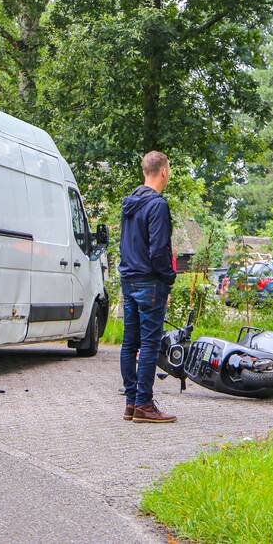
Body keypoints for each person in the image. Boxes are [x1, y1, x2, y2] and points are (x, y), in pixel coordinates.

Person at [118, 151, 177, 423]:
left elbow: (125, 244)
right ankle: (144, 403)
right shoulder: (157, 205)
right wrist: (168, 277)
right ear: (163, 171)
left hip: (128, 279)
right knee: (150, 343)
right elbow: (159, 249)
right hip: (150, 281)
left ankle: (131, 402)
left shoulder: (129, 203)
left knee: (129, 343)